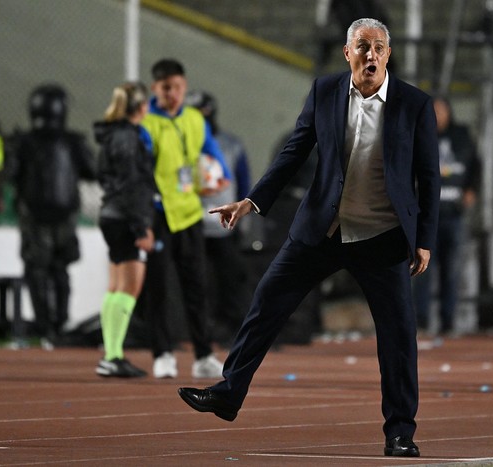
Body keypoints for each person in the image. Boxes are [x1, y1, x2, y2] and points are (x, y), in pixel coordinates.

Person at [178, 18, 440, 458]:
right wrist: (251, 201)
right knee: (265, 304)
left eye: (378, 47)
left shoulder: (414, 105)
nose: (370, 55)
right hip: (323, 228)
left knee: (398, 338)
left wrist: (425, 238)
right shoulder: (325, 92)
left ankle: (399, 433)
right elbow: (293, 151)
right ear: (347, 52)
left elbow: (429, 178)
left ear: (388, 55)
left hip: (383, 236)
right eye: (362, 46)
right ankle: (228, 392)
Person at [140, 59, 232, 378]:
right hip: (158, 214)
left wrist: (220, 179)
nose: (174, 94)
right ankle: (162, 353)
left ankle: (203, 354)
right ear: (155, 89)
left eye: (179, 87)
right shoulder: (145, 124)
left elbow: (212, 153)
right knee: (159, 286)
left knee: (196, 286)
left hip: (190, 213)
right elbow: (140, 171)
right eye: (167, 88)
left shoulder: (195, 119)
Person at [6, 84, 96, 346]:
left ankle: (48, 327)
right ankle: (58, 324)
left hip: (33, 218)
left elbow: (11, 174)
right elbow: (91, 171)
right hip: (64, 218)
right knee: (59, 271)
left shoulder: (22, 141)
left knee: (38, 271)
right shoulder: (73, 141)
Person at [92, 82, 155, 377]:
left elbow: (105, 177)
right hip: (126, 217)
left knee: (116, 286)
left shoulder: (109, 136)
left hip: (110, 214)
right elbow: (132, 184)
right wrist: (141, 226)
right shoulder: (129, 138)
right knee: (130, 287)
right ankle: (113, 355)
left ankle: (111, 354)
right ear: (142, 107)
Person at [186, 90, 253, 345]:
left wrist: (245, 216)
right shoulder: (182, 144)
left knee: (231, 280)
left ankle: (234, 330)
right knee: (197, 282)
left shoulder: (231, 144)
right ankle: (201, 330)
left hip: (226, 224)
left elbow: (244, 181)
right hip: (192, 223)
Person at [412, 96, 480, 336]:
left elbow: (475, 166)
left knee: (451, 271)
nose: (438, 115)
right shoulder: (416, 135)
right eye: (433, 111)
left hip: (453, 214)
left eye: (441, 111)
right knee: (422, 270)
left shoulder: (462, 138)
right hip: (425, 216)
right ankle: (420, 320)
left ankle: (448, 320)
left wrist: (471, 190)